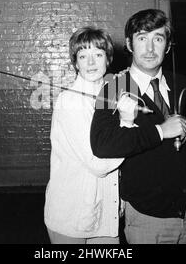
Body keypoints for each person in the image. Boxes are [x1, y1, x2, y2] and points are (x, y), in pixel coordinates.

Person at [90, 9, 186, 244]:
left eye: (158, 39)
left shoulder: (181, 82)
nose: (150, 49)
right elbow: (102, 144)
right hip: (148, 217)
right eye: (142, 38)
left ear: (168, 46)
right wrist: (161, 131)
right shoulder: (114, 85)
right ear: (129, 44)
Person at [44, 26, 134, 244]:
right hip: (71, 214)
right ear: (75, 63)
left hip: (107, 212)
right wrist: (127, 123)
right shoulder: (70, 101)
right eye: (83, 56)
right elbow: (98, 164)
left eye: (98, 54)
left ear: (108, 59)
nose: (91, 63)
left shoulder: (112, 94)